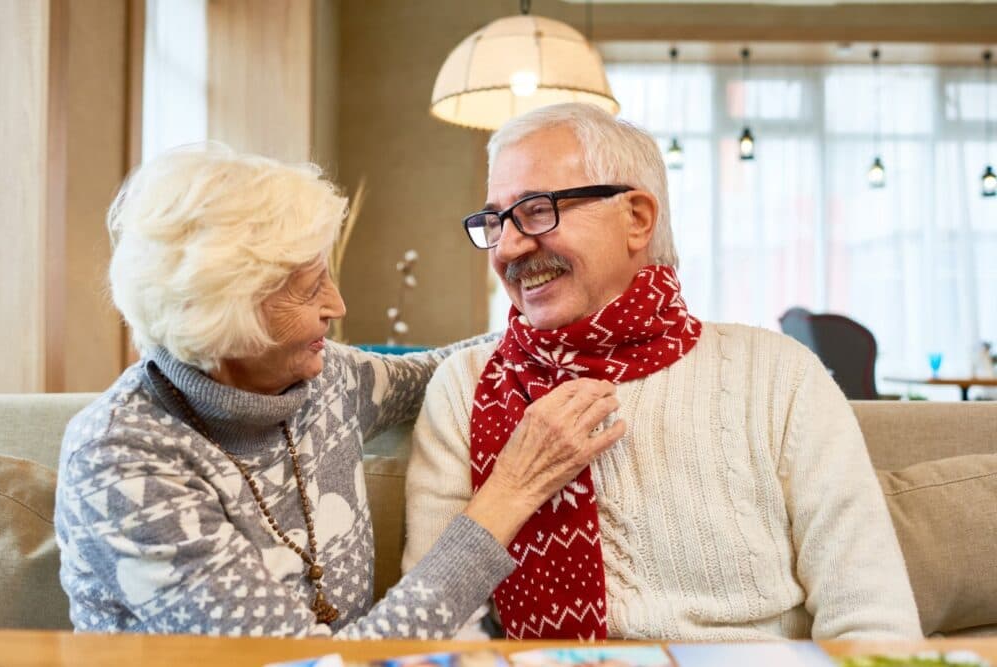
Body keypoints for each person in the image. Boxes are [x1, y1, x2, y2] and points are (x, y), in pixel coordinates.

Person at [54, 143, 624, 638]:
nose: (338, 305)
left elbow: (451, 366)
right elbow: (313, 665)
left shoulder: (325, 381)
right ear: (225, 315)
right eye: (310, 289)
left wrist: (567, 320)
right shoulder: (121, 462)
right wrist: (511, 493)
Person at [401, 103, 922, 641]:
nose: (508, 246)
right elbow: (437, 630)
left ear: (637, 219)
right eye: (496, 221)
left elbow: (872, 621)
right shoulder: (465, 386)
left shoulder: (778, 376)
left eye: (537, 210)